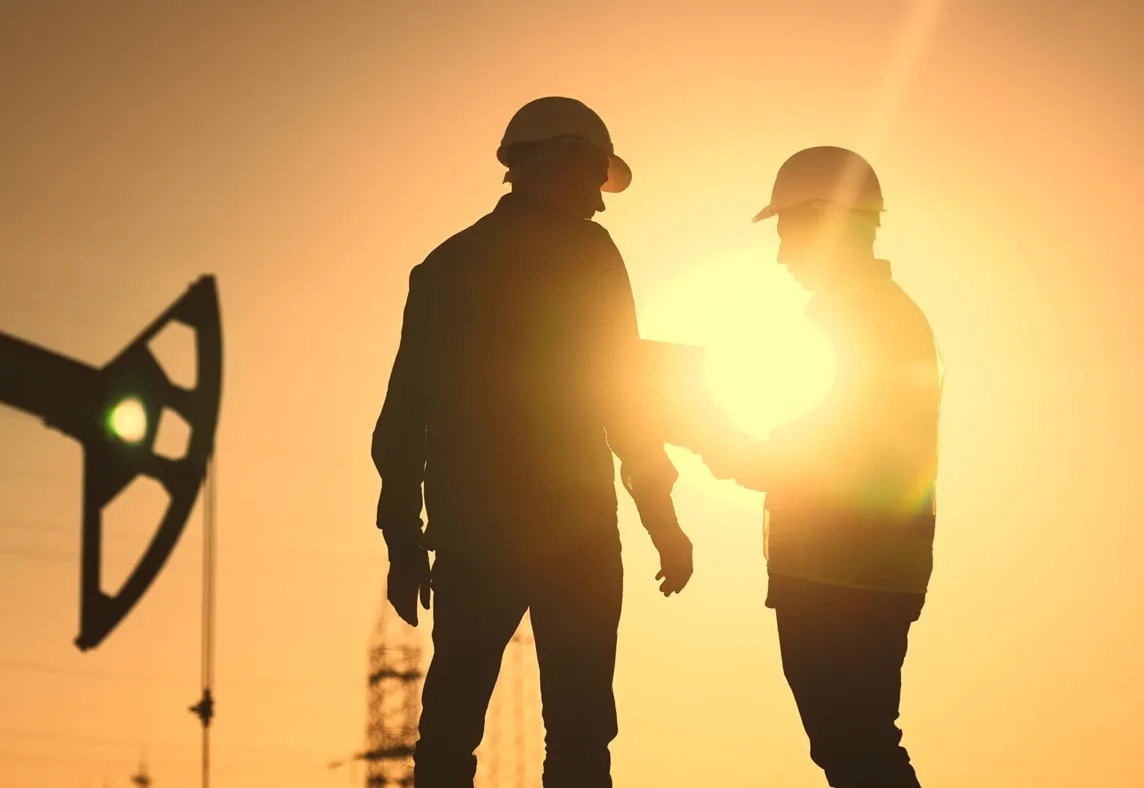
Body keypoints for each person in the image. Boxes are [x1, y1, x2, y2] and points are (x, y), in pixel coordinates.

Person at [370, 96, 693, 788]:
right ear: (559, 163)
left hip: (472, 536)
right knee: (579, 736)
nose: (602, 207)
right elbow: (625, 397)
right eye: (593, 182)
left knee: (450, 728)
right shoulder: (592, 258)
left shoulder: (443, 269)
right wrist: (662, 521)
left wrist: (402, 538)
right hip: (574, 537)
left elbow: (403, 418)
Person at [694, 146, 943, 788]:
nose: (782, 255)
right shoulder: (884, 315)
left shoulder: (855, 317)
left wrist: (722, 444)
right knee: (859, 743)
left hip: (837, 571)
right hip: (871, 569)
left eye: (788, 231)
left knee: (854, 747)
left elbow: (835, 455)